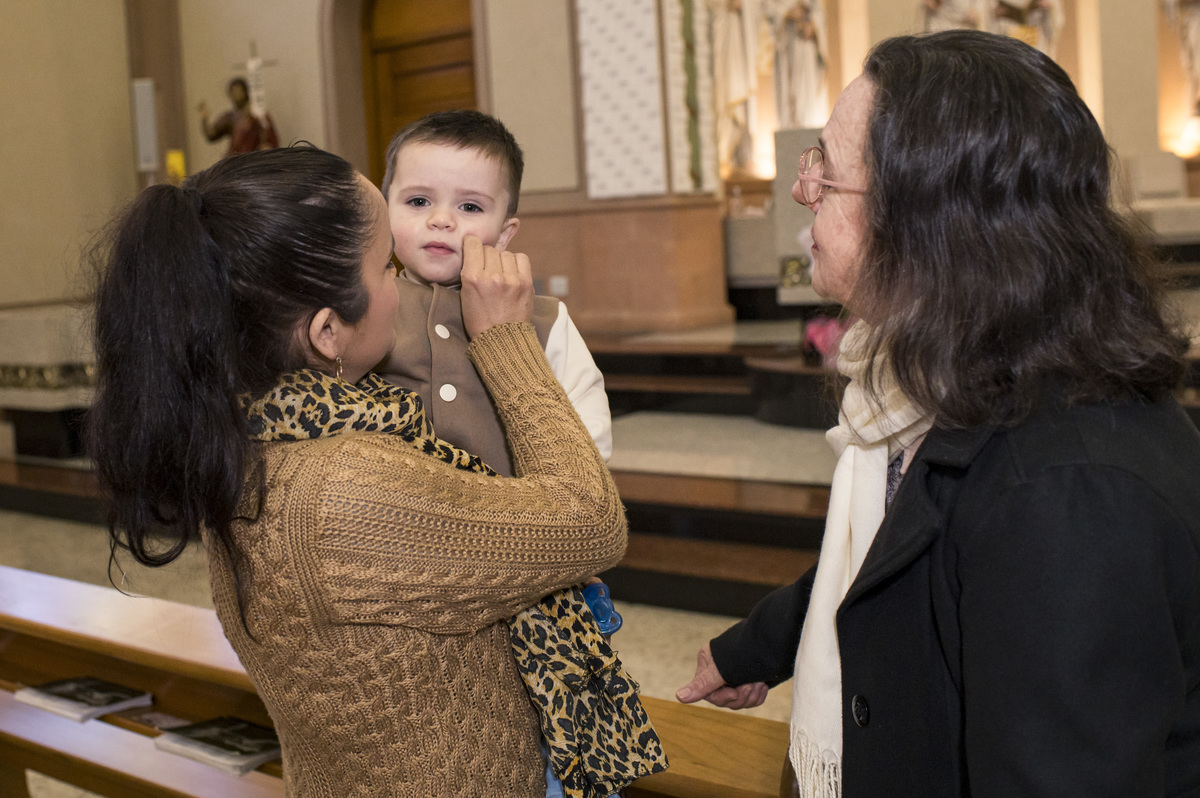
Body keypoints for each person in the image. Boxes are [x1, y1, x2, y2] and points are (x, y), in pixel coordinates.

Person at [677, 30, 1200, 797]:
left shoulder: (1068, 493)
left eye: (826, 168)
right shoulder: (937, 378)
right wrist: (754, 647)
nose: (801, 189)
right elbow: (893, 558)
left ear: (928, 221)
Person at [87, 144, 636, 797]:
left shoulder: (249, 437)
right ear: (327, 332)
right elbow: (588, 521)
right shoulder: (346, 489)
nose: (400, 283)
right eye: (384, 268)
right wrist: (507, 342)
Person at [376, 110, 611, 476]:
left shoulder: (546, 320)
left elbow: (588, 442)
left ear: (503, 234)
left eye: (469, 206)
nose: (441, 219)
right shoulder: (365, 303)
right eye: (418, 201)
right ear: (384, 211)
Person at [198, 77, 279, 157]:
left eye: (239, 91)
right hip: (236, 161)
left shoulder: (259, 114)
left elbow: (270, 138)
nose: (236, 95)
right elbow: (211, 135)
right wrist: (204, 119)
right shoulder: (230, 117)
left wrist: (266, 148)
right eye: (233, 92)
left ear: (245, 92)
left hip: (254, 159)